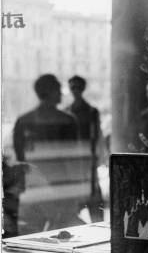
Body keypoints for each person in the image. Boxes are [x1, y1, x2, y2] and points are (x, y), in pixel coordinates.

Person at [12, 74, 80, 232]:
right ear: (49, 92)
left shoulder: (23, 121)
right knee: (62, 238)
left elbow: (21, 159)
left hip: (33, 187)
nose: (61, 94)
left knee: (30, 240)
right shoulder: (67, 120)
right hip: (61, 189)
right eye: (58, 89)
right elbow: (72, 159)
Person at [66, 75, 104, 219]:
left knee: (93, 192)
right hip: (73, 159)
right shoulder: (66, 111)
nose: (75, 90)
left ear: (83, 89)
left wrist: (96, 157)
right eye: (72, 87)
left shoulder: (91, 111)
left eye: (78, 87)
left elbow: (96, 135)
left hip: (88, 157)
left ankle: (97, 222)